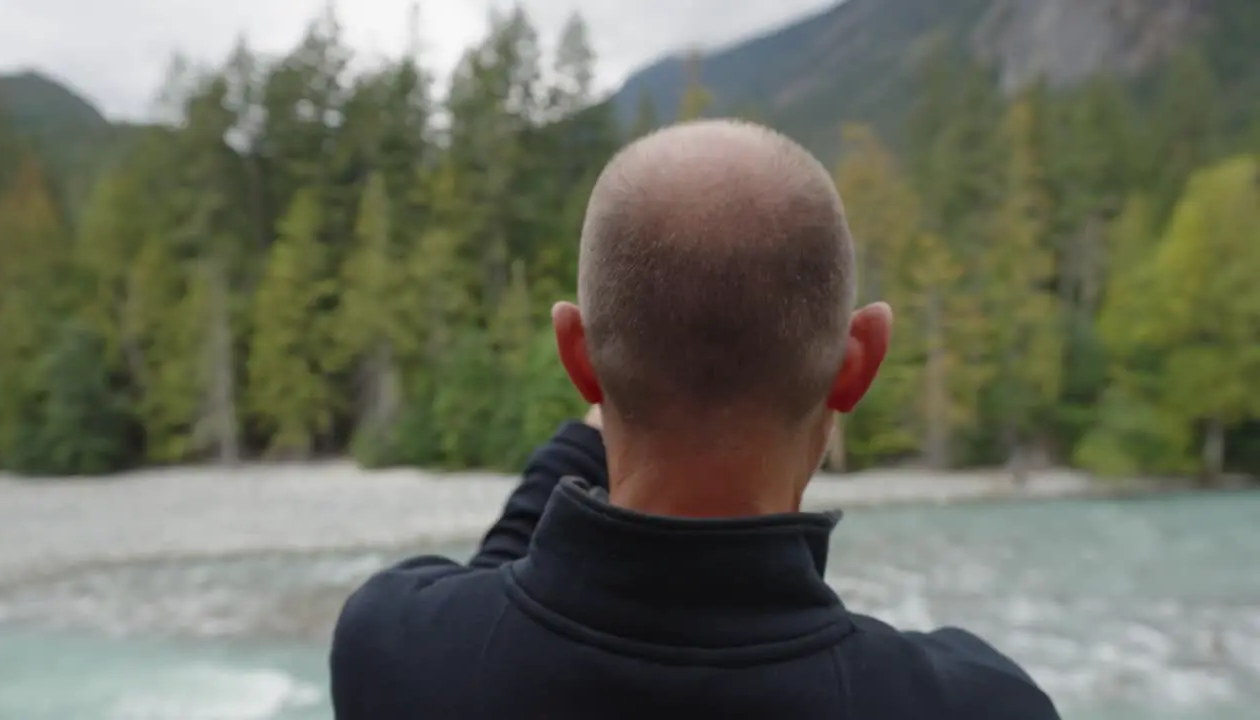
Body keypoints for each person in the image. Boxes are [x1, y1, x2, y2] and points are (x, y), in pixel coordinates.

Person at [329, 119, 1060, 719]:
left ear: (575, 356)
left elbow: (495, 605)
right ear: (858, 362)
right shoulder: (979, 704)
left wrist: (592, 422)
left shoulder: (394, 649)